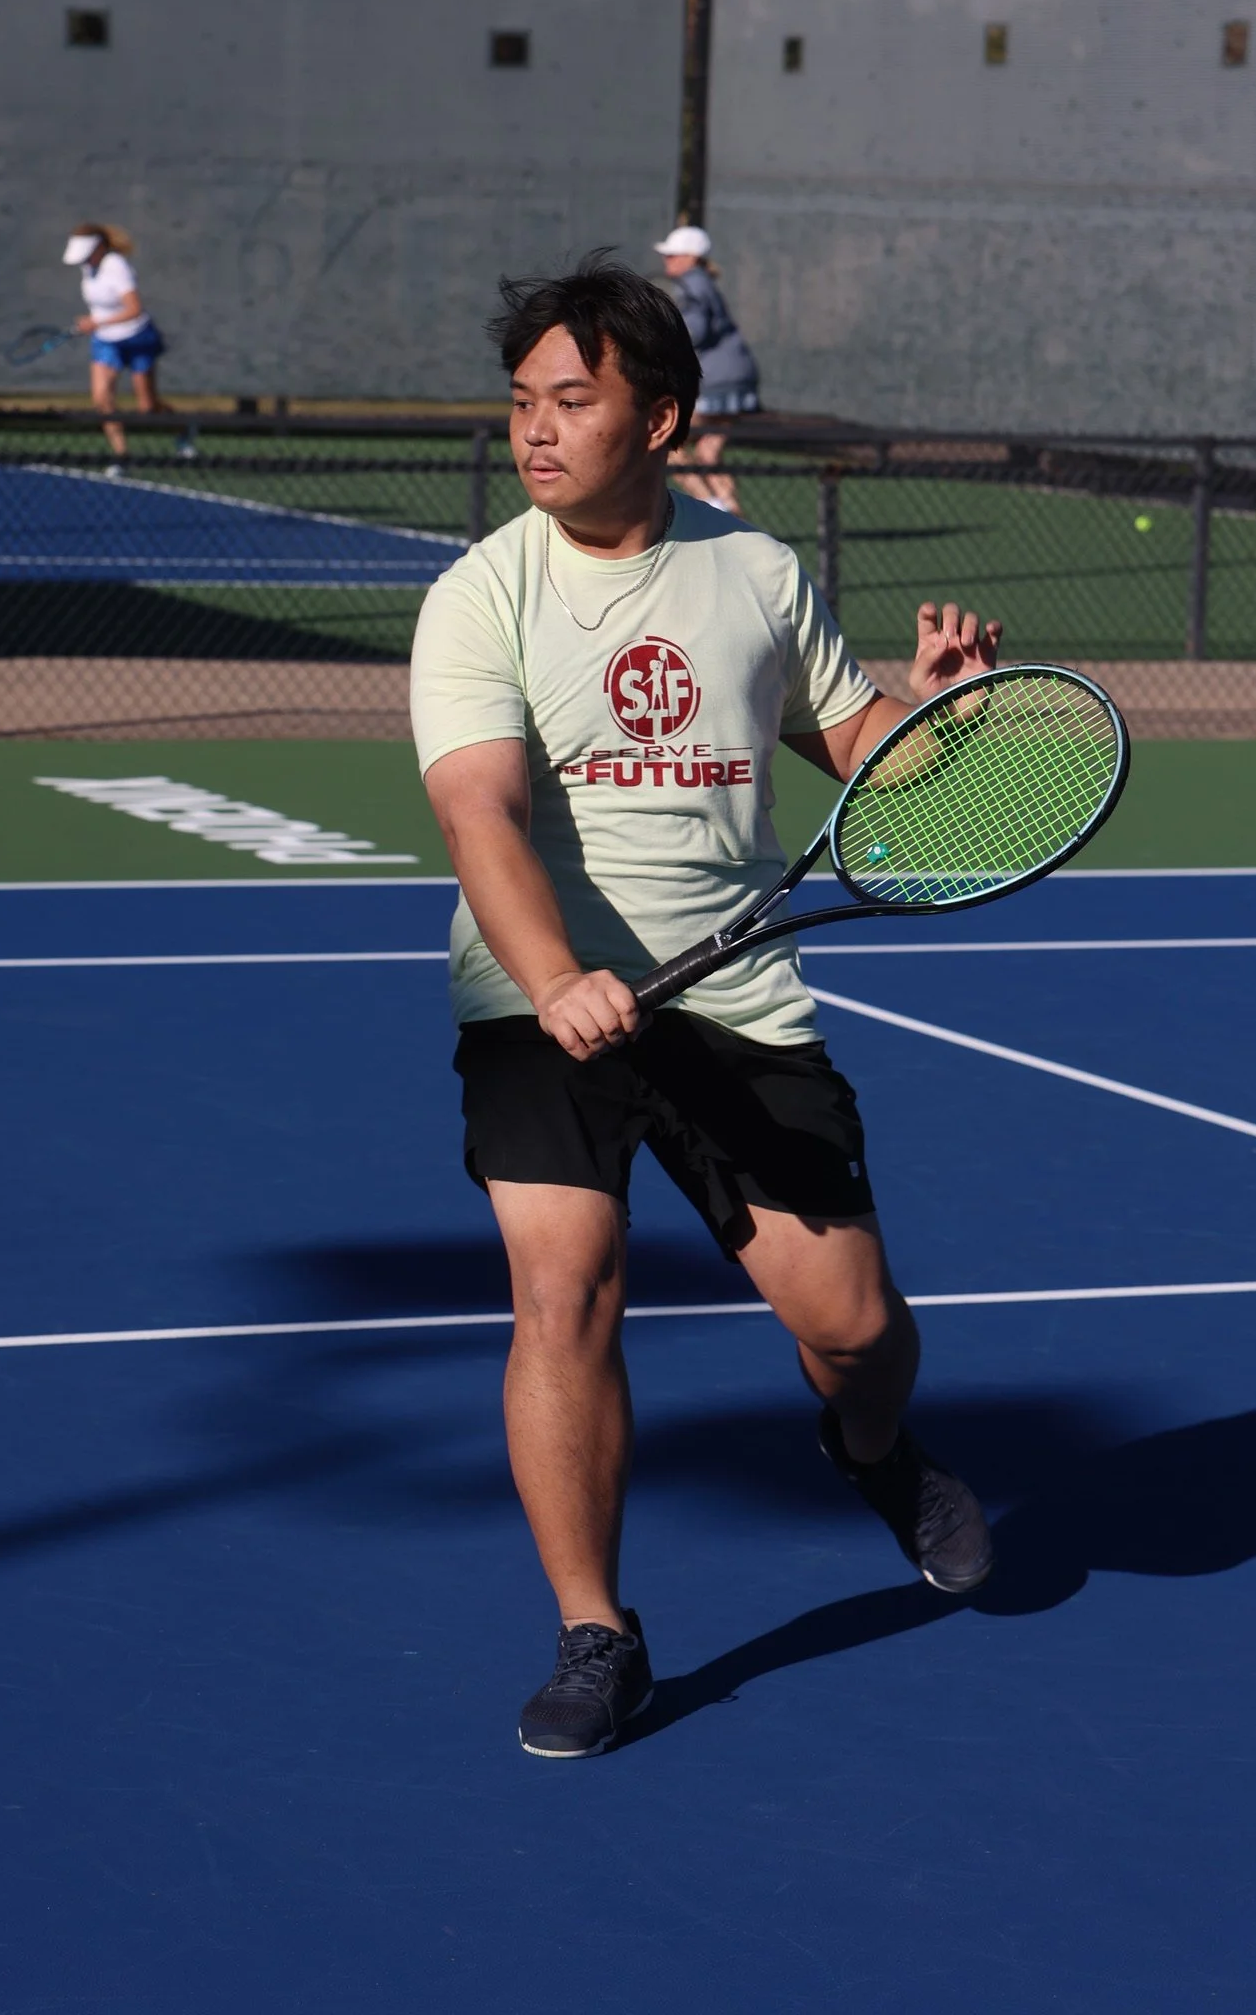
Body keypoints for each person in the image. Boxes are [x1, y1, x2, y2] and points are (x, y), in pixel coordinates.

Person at [409, 257, 1001, 1761]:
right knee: (566, 1289)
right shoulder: (481, 593)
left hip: (733, 987)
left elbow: (874, 766)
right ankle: (596, 1629)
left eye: (573, 400)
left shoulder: (753, 574)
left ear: (661, 416)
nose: (537, 431)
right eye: (524, 403)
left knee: (857, 1329)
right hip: (538, 1001)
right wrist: (556, 979)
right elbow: (480, 815)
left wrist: (930, 715)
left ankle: (872, 1450)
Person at [655, 223, 759, 518]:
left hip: (719, 381)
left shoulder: (693, 285)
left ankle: (712, 508)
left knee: (668, 441)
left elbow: (694, 331)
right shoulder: (701, 283)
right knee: (709, 452)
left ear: (691, 257)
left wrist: (661, 342)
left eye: (673, 255)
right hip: (739, 379)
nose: (668, 261)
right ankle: (735, 516)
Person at [62, 225, 174, 470]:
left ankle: (183, 428)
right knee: (102, 399)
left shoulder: (117, 266)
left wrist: (96, 322)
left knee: (148, 408)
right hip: (105, 341)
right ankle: (122, 456)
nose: (84, 260)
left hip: (138, 338)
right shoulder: (87, 266)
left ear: (99, 248)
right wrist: (95, 323)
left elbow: (134, 309)